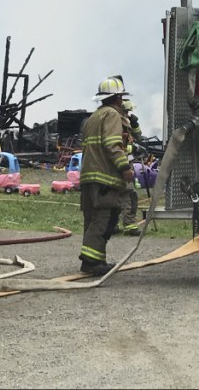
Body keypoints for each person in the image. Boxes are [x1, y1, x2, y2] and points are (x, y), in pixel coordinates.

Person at [77, 76, 135, 276]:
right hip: (105, 178)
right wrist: (125, 167)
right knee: (104, 219)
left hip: (89, 177)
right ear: (118, 98)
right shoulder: (112, 115)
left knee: (92, 219)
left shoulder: (94, 117)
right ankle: (92, 262)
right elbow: (112, 145)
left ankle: (95, 260)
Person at [118, 98, 145, 236]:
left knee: (118, 195)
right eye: (126, 112)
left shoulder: (125, 123)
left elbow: (138, 136)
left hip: (125, 163)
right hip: (120, 164)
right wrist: (132, 148)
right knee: (128, 194)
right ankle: (129, 226)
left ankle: (112, 225)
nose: (128, 114)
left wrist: (135, 125)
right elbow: (117, 146)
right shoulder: (115, 123)